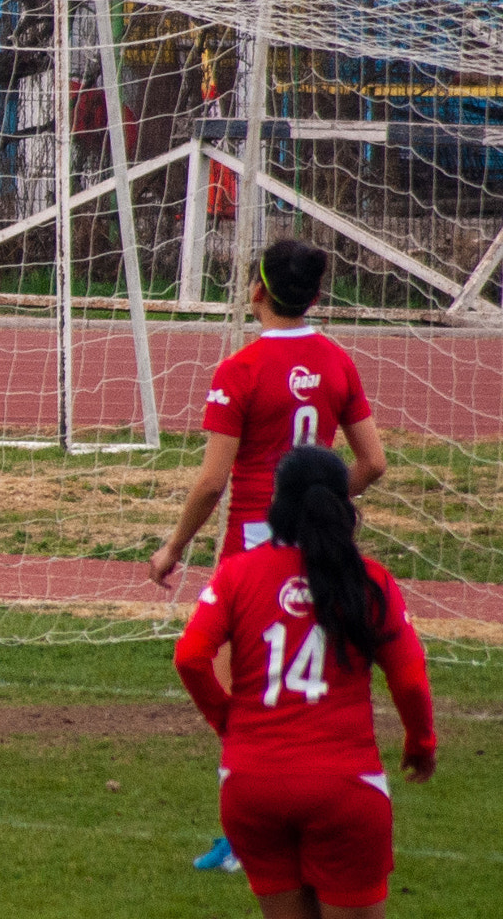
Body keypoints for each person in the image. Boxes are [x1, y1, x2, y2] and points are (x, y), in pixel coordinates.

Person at [149, 238, 389, 873]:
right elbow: (374, 462)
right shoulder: (337, 361)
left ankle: (246, 838)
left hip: (251, 556)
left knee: (242, 700)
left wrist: (174, 545)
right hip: (322, 553)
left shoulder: (242, 370)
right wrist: (326, 508)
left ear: (256, 290)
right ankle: (317, 819)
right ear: (314, 295)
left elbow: (210, 481)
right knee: (316, 691)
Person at [175, 445, 436, 919]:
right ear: (344, 508)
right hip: (343, 785)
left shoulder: (236, 574)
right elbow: (411, 680)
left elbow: (191, 656)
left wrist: (227, 721)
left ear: (276, 505)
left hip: (251, 784)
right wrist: (421, 741)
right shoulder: (368, 581)